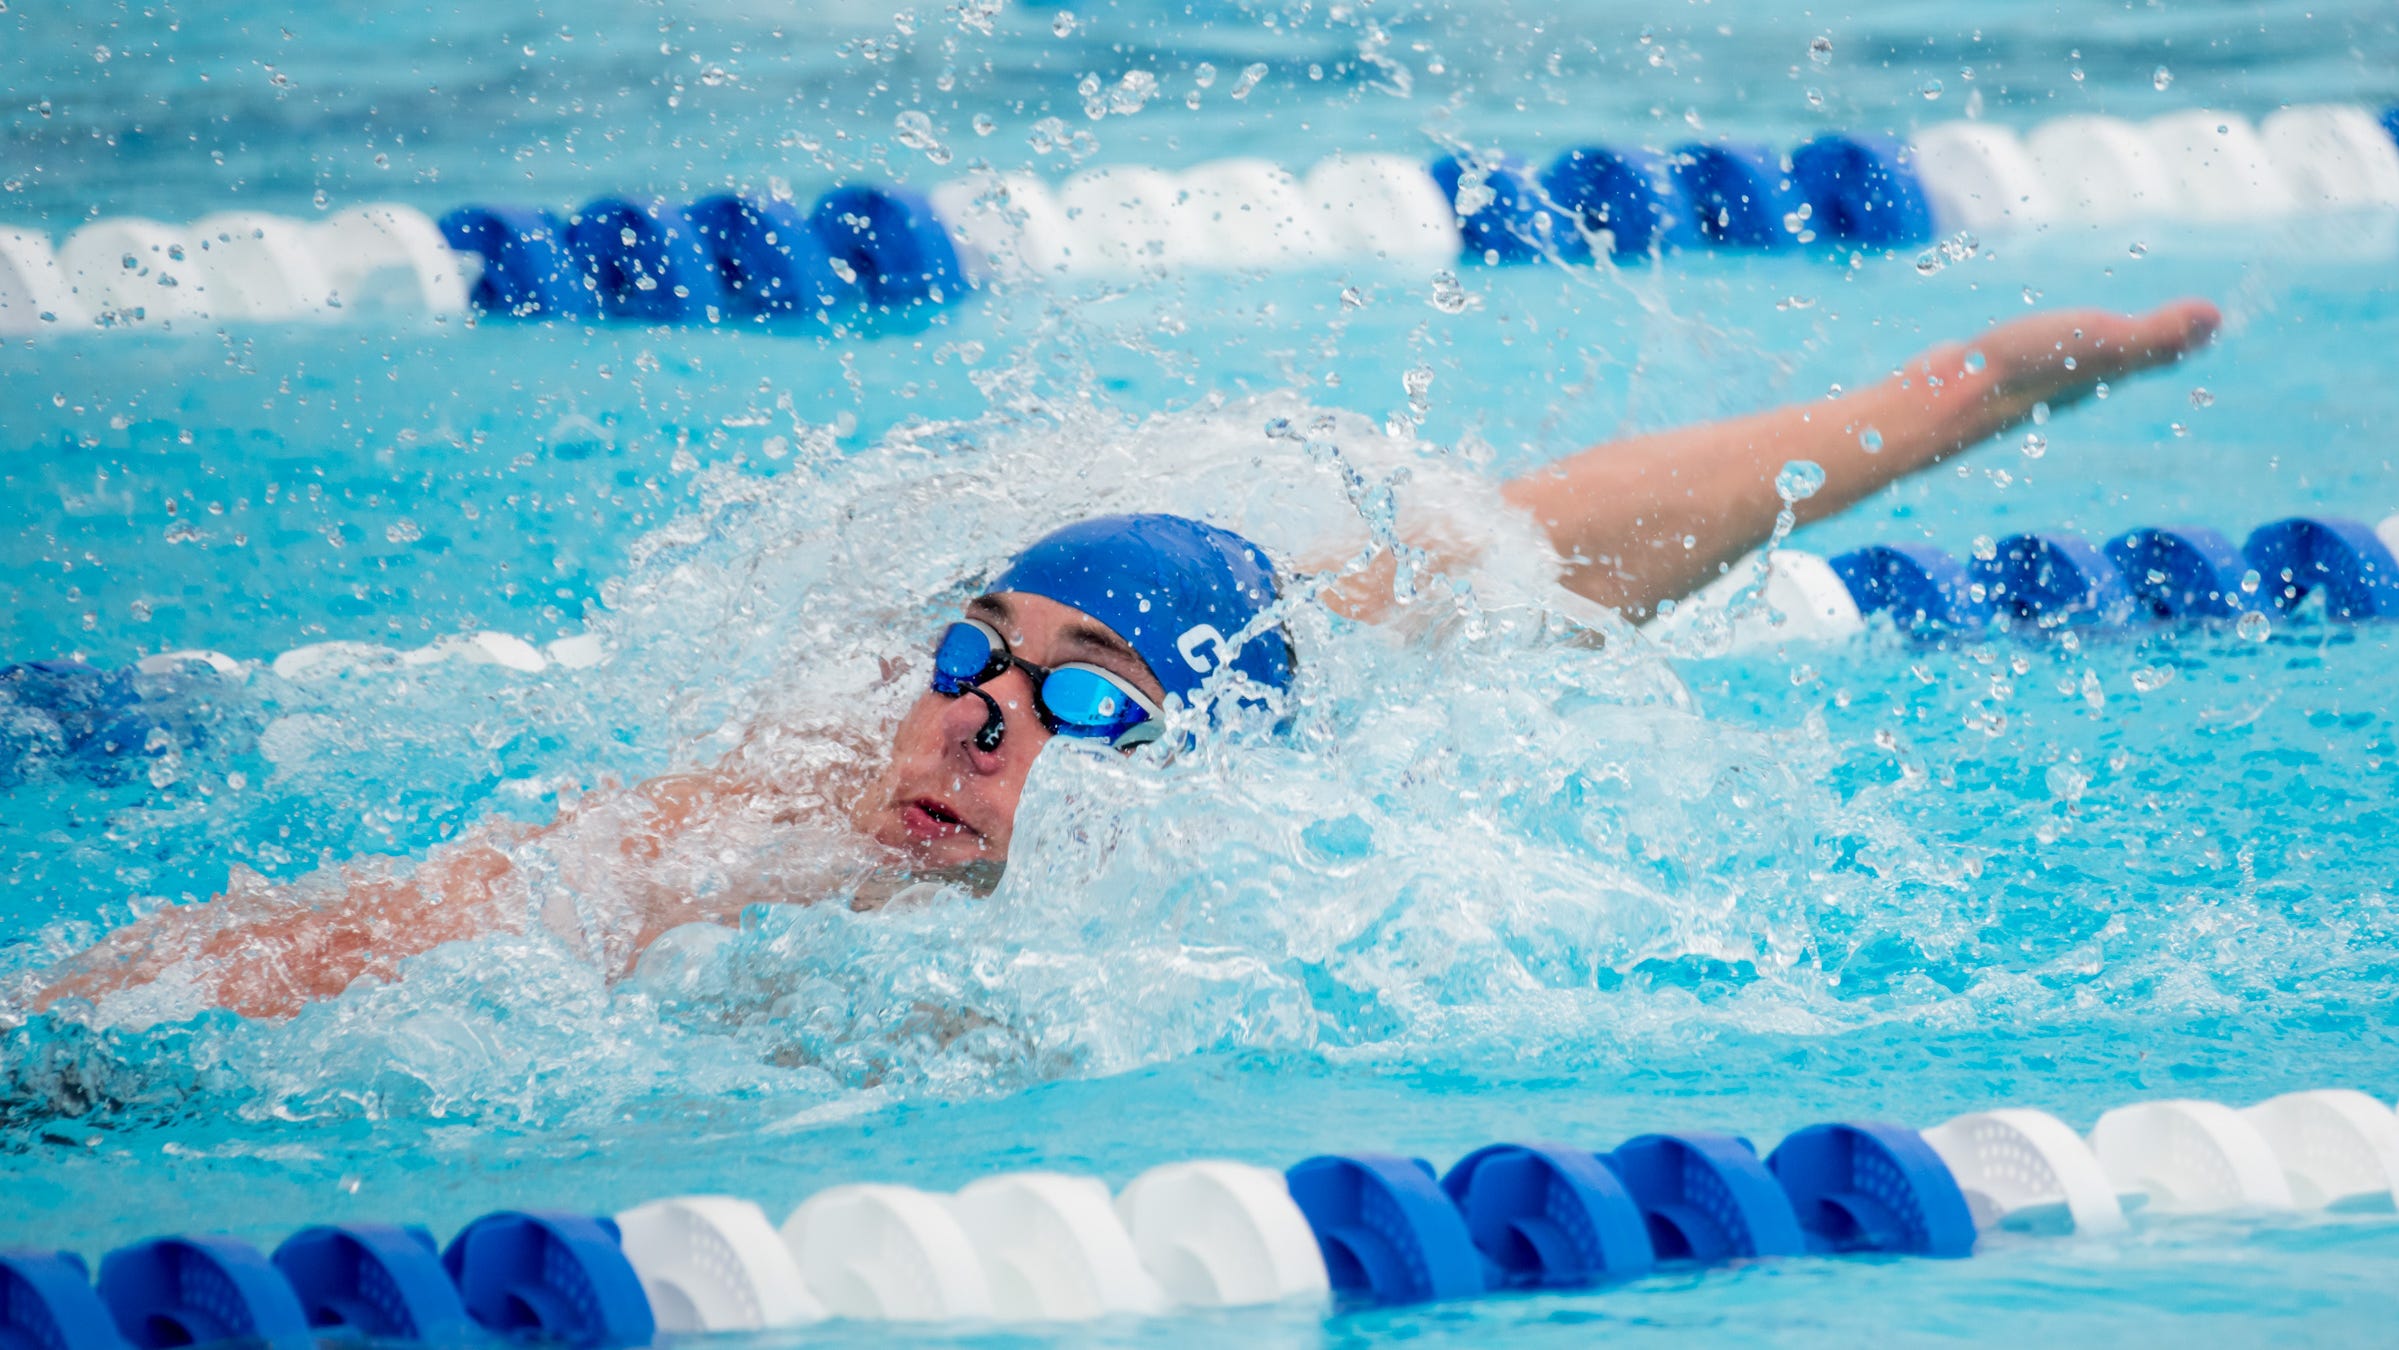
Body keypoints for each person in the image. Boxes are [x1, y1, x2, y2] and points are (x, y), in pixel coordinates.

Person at [29, 299, 2222, 1020]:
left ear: (1173, 760)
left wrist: (2001, 381)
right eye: (973, 655)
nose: (987, 719)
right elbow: (415, 916)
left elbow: (1665, 503)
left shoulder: (1292, 813)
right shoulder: (806, 810)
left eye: (1082, 698)